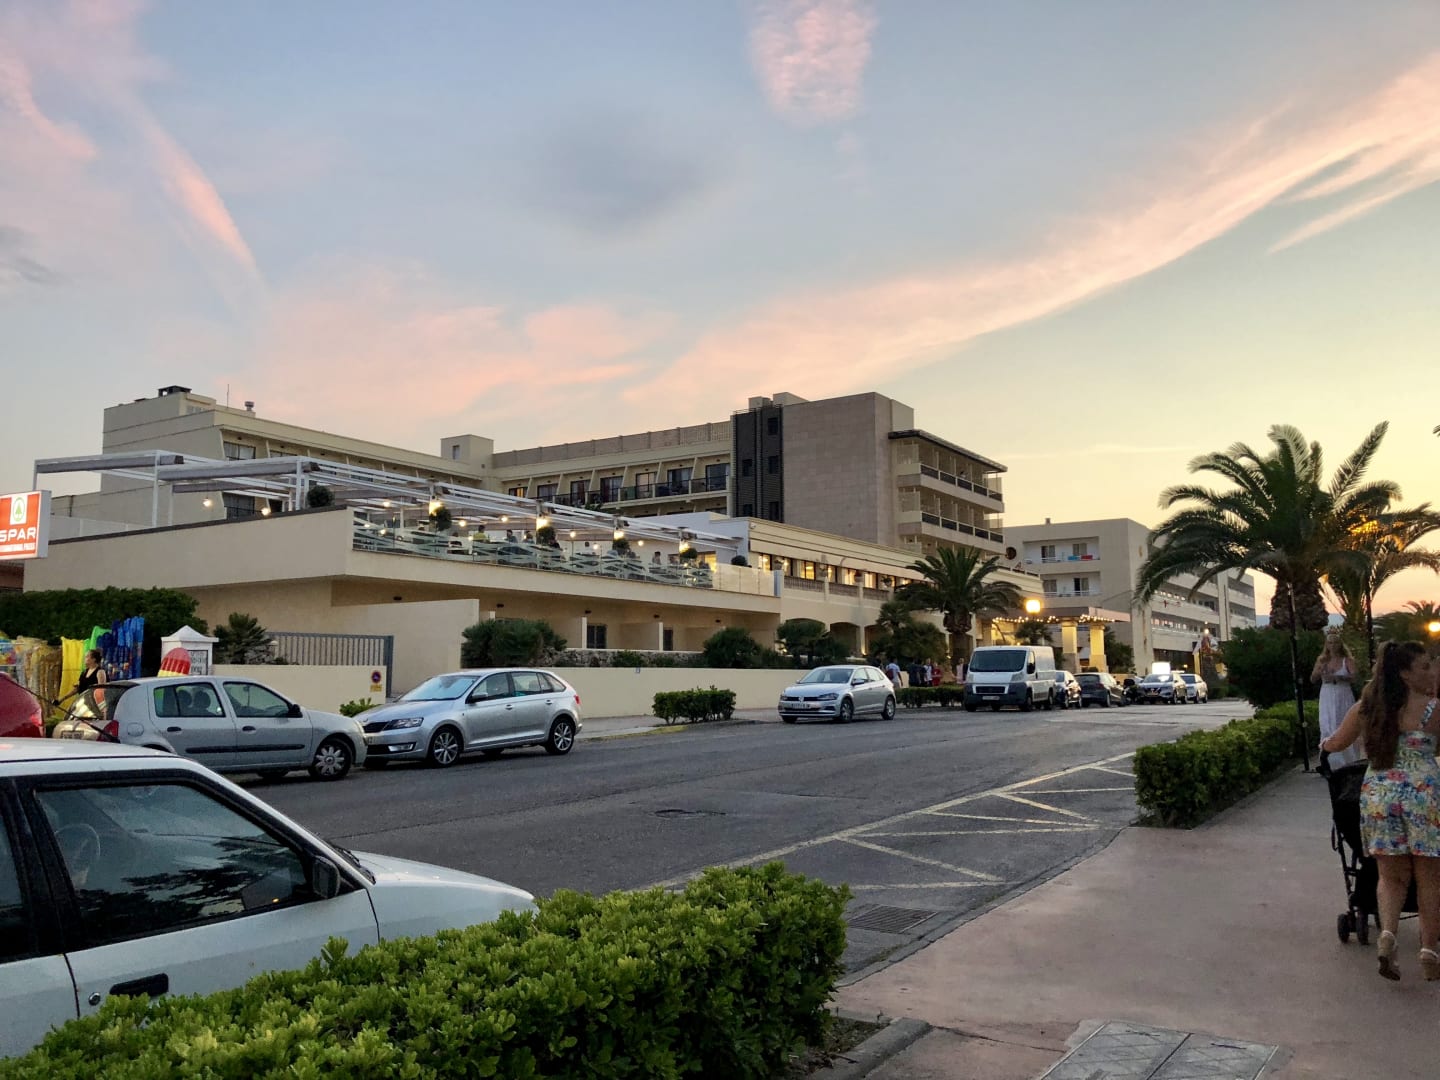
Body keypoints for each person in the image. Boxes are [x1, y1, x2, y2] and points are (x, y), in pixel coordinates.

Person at [1321, 641, 1440, 981]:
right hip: (1423, 798)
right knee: (1430, 878)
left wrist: (1324, 746)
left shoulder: (1367, 708)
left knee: (1390, 877)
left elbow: (1336, 743)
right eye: (1424, 667)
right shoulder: (1433, 709)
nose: (1431, 672)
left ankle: (1387, 936)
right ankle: (1428, 950)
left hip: (1379, 797)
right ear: (1405, 674)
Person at [1313, 631, 1359, 766]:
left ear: (1340, 644)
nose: (1333, 645)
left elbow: (1354, 678)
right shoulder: (1322, 660)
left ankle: (1349, 761)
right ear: (1326, 645)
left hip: (1342, 694)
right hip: (1327, 694)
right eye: (1330, 643)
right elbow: (1313, 678)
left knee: (1344, 724)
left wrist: (1338, 677)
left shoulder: (1347, 660)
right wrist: (1320, 670)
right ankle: (1329, 762)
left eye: (1335, 642)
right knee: (1327, 725)